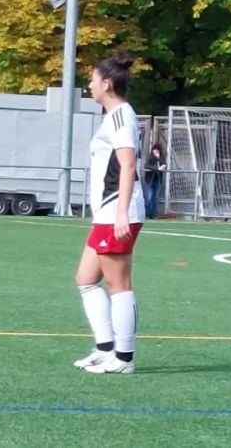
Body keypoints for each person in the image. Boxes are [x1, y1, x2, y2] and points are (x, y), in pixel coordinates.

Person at [73, 54, 145, 375]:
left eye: (92, 79)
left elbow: (128, 165)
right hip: (106, 213)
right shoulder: (113, 116)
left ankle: (124, 358)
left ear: (106, 83)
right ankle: (105, 349)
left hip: (118, 212)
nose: (89, 84)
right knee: (86, 279)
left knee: (119, 284)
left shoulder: (120, 117)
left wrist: (120, 215)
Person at [143, 143, 167, 219]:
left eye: (158, 150)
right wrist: (157, 168)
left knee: (155, 197)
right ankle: (148, 212)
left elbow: (164, 164)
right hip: (150, 180)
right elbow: (147, 165)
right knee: (149, 196)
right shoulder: (150, 157)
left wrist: (159, 159)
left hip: (158, 180)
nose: (156, 151)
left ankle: (153, 213)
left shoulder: (161, 157)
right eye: (155, 150)